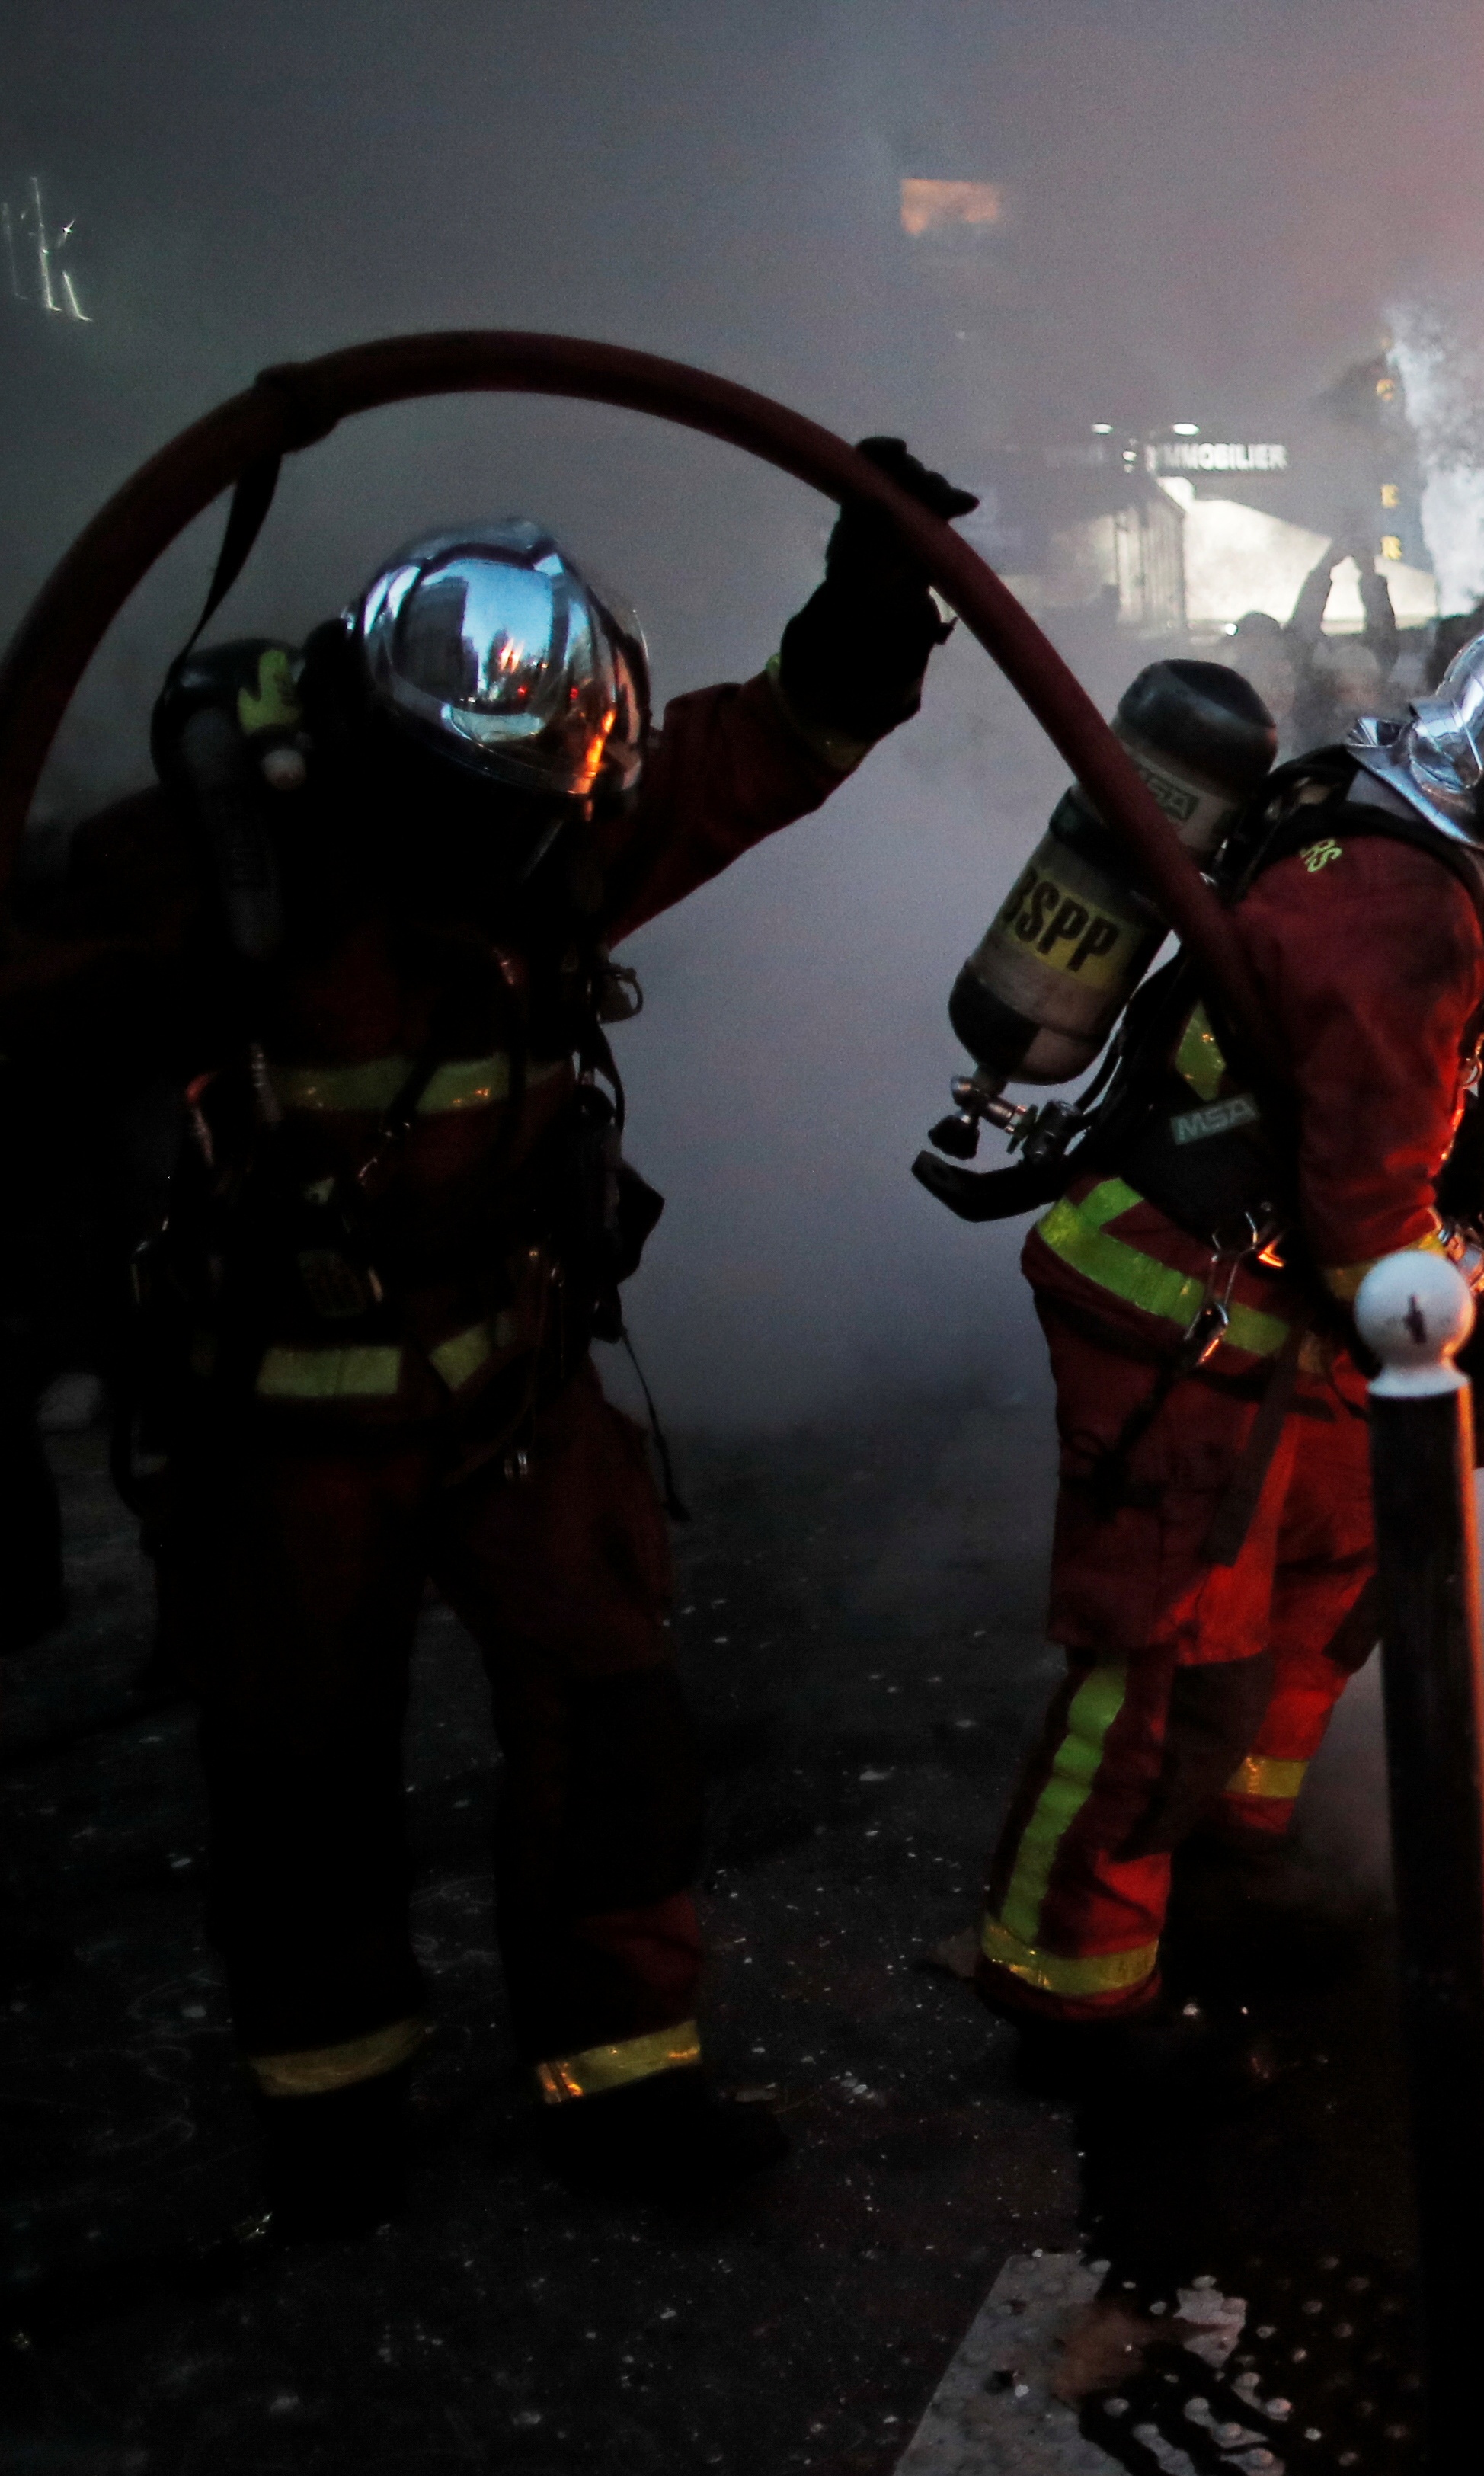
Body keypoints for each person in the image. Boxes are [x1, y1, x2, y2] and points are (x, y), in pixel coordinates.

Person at [2, 443, 975, 2228]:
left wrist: (869, 595)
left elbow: (760, 751)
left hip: (513, 1382)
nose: (533, 853)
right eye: (498, 819)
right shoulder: (219, 870)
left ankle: (626, 2081)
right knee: (299, 1773)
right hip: (280, 1427)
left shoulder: (562, 820)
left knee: (614, 1732)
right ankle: (332, 2099)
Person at [973, 606, 1484, 2084]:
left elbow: (1388, 1117)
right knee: (1174, 1668)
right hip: (1184, 1303)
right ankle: (1069, 1985)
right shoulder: (1409, 907)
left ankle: (1223, 1869)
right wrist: (1482, 1358)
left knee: (1343, 1556)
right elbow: (1363, 1206)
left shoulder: (1383, 831)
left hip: (1260, 1301)